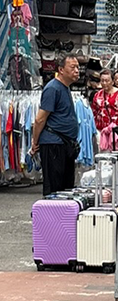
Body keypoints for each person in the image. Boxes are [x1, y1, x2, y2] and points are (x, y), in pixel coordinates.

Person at [31, 52, 80, 196]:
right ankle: (51, 218)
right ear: (61, 70)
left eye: (77, 67)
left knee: (66, 188)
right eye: (72, 67)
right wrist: (35, 142)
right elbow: (40, 119)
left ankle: (63, 217)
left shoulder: (65, 87)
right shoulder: (53, 88)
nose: (77, 71)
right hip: (54, 144)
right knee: (54, 189)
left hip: (65, 144)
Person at [92, 69, 118, 151]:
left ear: (112, 81)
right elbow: (94, 113)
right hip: (101, 131)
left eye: (107, 81)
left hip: (117, 131)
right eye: (102, 81)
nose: (104, 83)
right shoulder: (97, 95)